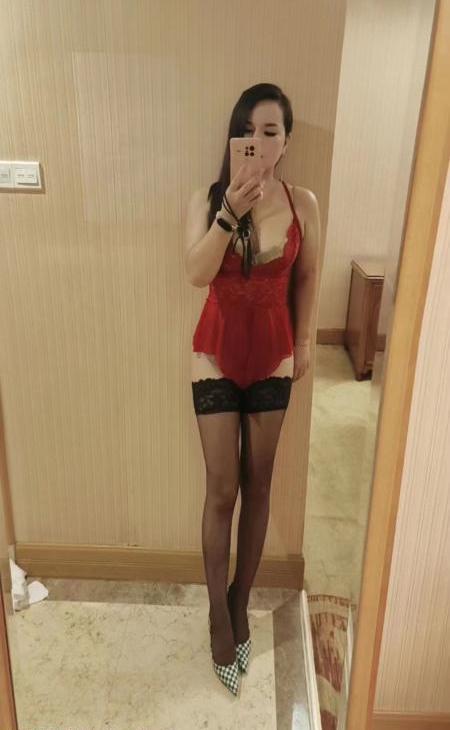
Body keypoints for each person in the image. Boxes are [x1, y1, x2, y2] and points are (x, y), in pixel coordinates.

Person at [184, 83, 320, 696]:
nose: (258, 142)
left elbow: (308, 276)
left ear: (286, 142)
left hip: (274, 356)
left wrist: (307, 341)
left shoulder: (303, 202)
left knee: (259, 484)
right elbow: (195, 273)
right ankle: (218, 615)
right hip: (214, 353)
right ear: (233, 137)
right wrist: (229, 214)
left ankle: (241, 601)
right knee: (222, 489)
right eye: (247, 130)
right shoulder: (207, 198)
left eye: (270, 132)